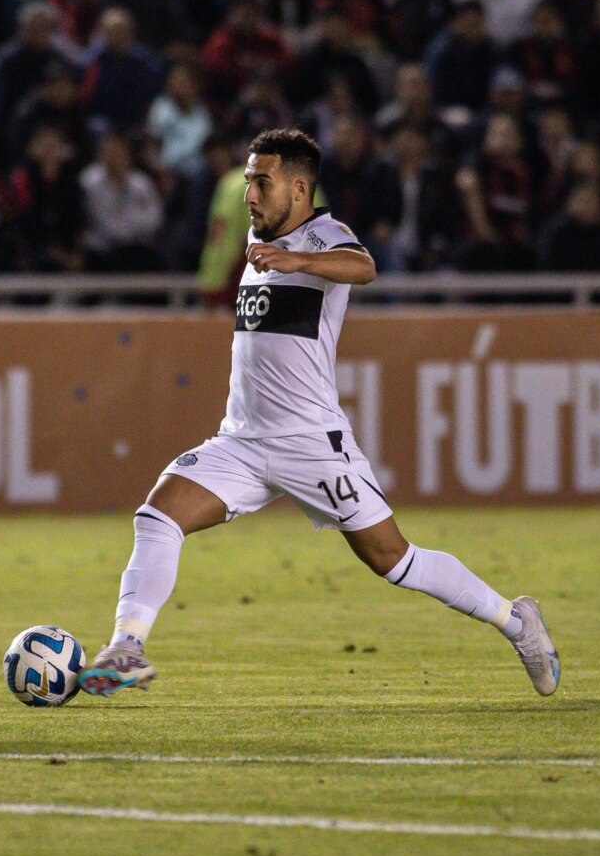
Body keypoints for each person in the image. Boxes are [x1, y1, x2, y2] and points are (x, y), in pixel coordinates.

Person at [79, 129, 560, 700]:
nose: (249, 195)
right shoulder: (260, 249)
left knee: (393, 560)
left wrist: (298, 259)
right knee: (157, 517)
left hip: (312, 445)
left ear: (300, 187)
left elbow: (364, 266)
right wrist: (277, 258)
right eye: (248, 182)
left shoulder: (323, 235)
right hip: (241, 440)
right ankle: (127, 646)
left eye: (262, 182)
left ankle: (516, 621)